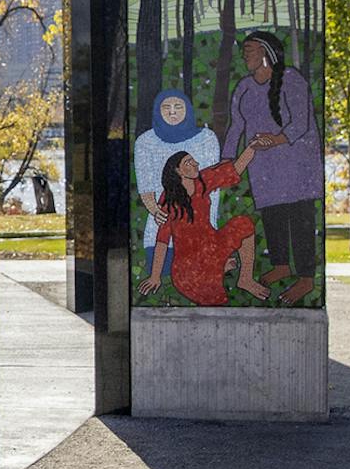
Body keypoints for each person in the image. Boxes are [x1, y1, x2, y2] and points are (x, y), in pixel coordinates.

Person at [221, 30, 324, 305]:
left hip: (296, 162)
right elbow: (236, 126)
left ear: (266, 51)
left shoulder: (291, 79)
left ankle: (305, 277)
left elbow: (301, 122)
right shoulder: (244, 87)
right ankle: (281, 264)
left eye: (251, 49)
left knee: (299, 216)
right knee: (272, 213)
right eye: (244, 50)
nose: (246, 55)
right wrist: (227, 159)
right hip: (264, 166)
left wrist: (275, 139)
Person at [137, 146, 271, 306]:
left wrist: (251, 148)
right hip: (188, 263)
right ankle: (218, 267)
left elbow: (235, 169)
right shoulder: (169, 200)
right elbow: (162, 240)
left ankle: (245, 278)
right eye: (189, 162)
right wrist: (155, 276)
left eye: (194, 160)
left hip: (213, 244)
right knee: (211, 295)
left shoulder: (202, 181)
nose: (196, 164)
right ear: (178, 171)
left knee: (244, 224)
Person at [131, 88, 219, 270]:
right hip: (164, 220)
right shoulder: (145, 142)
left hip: (200, 219)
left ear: (187, 109)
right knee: (163, 269)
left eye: (178, 106)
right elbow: (146, 187)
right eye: (166, 107)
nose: (172, 112)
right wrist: (156, 212)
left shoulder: (206, 139)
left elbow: (211, 185)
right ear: (157, 110)